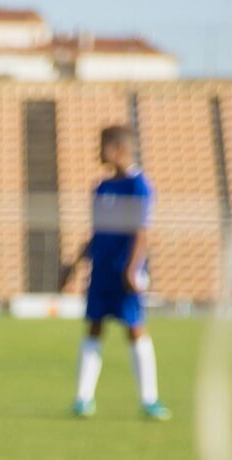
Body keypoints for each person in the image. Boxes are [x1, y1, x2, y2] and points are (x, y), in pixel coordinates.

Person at [61, 122, 169, 422]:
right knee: (94, 326)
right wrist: (76, 263)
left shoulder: (139, 186)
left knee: (135, 328)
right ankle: (83, 398)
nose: (99, 151)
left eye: (103, 145)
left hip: (124, 273)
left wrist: (133, 269)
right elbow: (97, 232)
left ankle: (149, 399)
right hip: (102, 272)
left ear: (119, 149)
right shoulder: (101, 187)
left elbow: (142, 232)